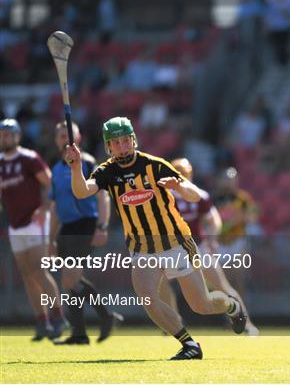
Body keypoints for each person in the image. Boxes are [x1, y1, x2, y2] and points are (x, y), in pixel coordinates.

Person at [64, 117, 247, 360]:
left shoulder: (155, 165)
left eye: (125, 140)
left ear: (133, 140)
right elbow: (81, 191)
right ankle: (189, 345)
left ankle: (231, 306)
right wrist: (76, 168)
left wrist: (179, 187)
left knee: (201, 305)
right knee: (149, 298)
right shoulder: (107, 171)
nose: (122, 146)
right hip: (142, 248)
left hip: (176, 244)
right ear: (109, 146)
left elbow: (195, 196)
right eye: (116, 143)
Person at [158, 158, 259, 335]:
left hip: (198, 247)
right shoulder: (163, 196)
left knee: (223, 286)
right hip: (173, 249)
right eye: (179, 171)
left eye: (185, 172)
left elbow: (213, 219)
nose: (183, 175)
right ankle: (173, 323)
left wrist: (212, 239)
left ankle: (247, 323)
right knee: (161, 282)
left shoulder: (199, 195)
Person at [49, 121, 123, 345]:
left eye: (68, 135)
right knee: (70, 281)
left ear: (77, 139)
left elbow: (103, 196)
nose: (64, 138)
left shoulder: (87, 162)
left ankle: (97, 321)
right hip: (67, 227)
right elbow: (55, 206)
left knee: (71, 279)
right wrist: (51, 239)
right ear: (56, 140)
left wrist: (102, 225)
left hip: (86, 224)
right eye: (60, 136)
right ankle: (86, 328)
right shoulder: (55, 168)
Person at [0, 118, 66, 341]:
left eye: (9, 134)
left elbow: (50, 183)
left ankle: (58, 316)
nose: (5, 138)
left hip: (34, 222)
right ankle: (42, 321)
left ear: (17, 136)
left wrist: (45, 207)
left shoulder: (29, 158)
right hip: (15, 224)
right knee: (27, 275)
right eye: (2, 134)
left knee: (39, 270)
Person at [213, 167, 257, 309]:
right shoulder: (213, 199)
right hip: (220, 243)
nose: (228, 183)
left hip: (237, 241)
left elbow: (253, 216)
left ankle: (243, 312)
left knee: (239, 278)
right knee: (222, 281)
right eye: (225, 179)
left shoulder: (243, 198)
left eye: (231, 180)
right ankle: (228, 314)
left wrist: (236, 219)